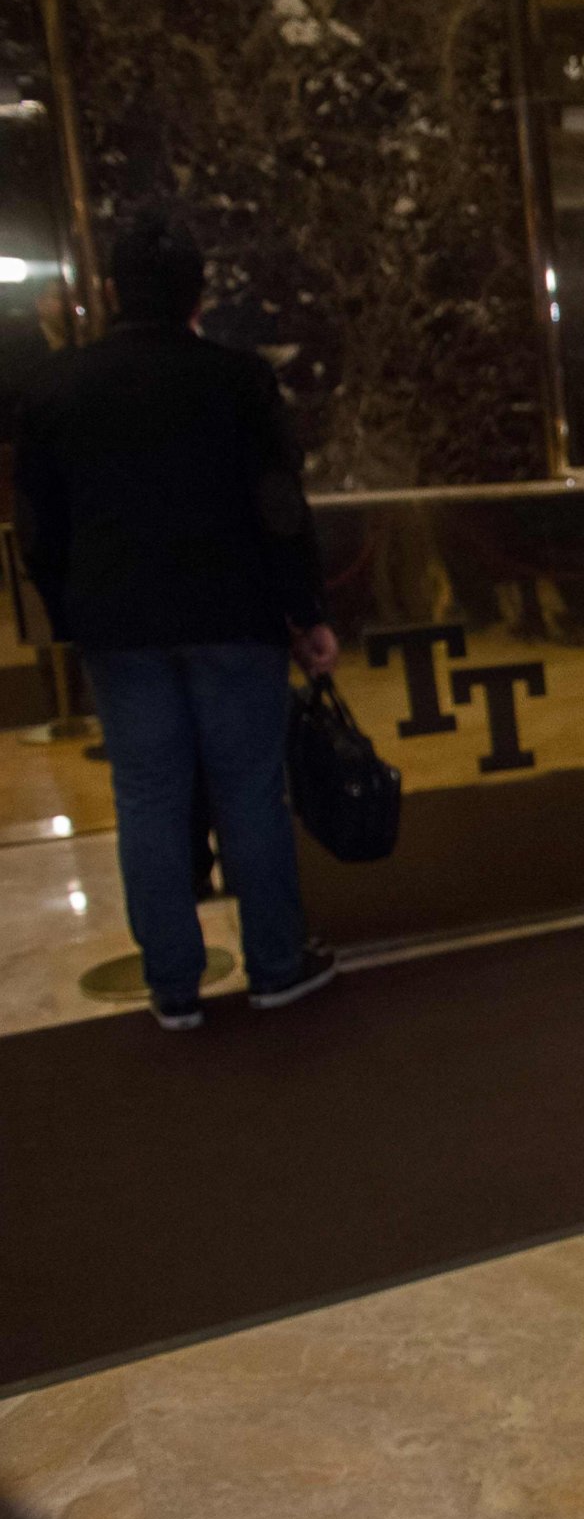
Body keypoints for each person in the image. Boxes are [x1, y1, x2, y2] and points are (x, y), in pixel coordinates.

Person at [13, 211, 338, 1030]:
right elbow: (279, 507)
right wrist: (305, 613)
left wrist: (69, 609)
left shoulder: (56, 388)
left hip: (118, 625)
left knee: (149, 798)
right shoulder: (235, 381)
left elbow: (39, 525)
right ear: (198, 292)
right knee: (251, 793)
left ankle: (173, 985)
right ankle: (273, 965)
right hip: (233, 614)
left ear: (113, 291)